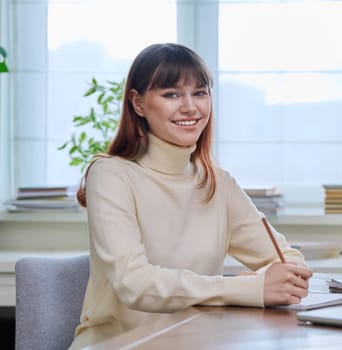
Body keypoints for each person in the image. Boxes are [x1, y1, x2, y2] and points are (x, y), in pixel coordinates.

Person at [68, 43, 313, 349]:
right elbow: (135, 283)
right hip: (119, 344)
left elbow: (288, 259)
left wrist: (272, 279)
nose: (191, 108)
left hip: (194, 341)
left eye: (200, 93)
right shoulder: (110, 174)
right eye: (171, 94)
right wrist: (249, 287)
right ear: (138, 103)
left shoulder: (218, 182)